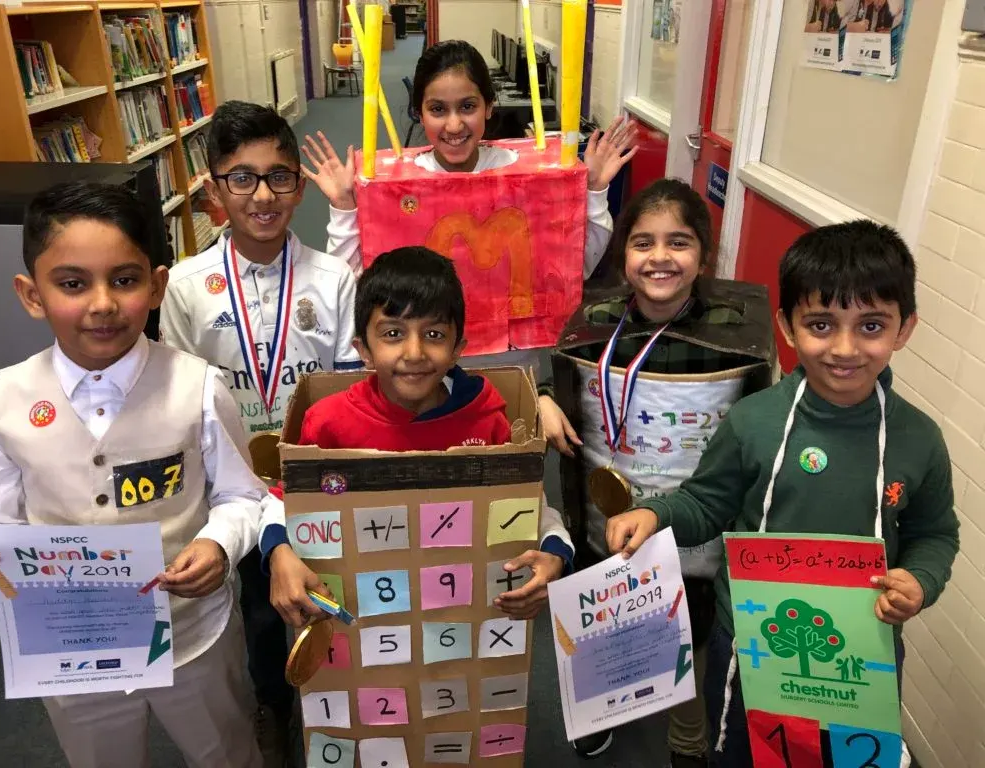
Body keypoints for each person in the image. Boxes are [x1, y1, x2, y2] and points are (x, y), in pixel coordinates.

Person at [605, 220, 960, 767]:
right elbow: (706, 503)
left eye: (871, 326)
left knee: (842, 758)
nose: (844, 348)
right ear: (787, 328)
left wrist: (921, 580)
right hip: (749, 642)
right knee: (741, 755)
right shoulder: (754, 420)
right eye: (821, 324)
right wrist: (655, 513)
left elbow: (935, 534)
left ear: (904, 328)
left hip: (859, 650)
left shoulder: (919, 438)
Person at [0, 181, 270, 768]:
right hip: (70, 646)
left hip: (191, 636)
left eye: (125, 280)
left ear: (156, 286)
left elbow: (241, 495)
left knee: (226, 752)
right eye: (72, 284)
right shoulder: (4, 399)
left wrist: (218, 543)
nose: (102, 304)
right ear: (31, 294)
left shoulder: (198, 386)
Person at [160, 100, 362, 767]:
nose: (263, 195)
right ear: (213, 191)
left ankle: (331, 703)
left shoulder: (335, 280)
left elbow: (347, 391)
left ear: (299, 187)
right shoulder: (187, 287)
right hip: (232, 485)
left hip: (316, 476)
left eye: (279, 177)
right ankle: (272, 703)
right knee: (251, 609)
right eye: (241, 178)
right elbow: (179, 400)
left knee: (325, 591)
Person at [536, 179, 766, 764]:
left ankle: (686, 736)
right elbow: (556, 371)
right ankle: (601, 709)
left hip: (693, 521)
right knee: (605, 612)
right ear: (623, 255)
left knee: (688, 625)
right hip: (606, 513)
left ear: (703, 255)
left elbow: (764, 405)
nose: (660, 257)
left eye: (678, 242)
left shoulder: (734, 335)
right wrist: (542, 396)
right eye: (643, 243)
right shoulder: (596, 322)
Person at [259, 247, 575, 629]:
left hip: (459, 616)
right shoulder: (328, 423)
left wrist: (555, 551)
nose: (414, 352)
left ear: (458, 349)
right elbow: (283, 501)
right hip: (362, 618)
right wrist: (278, 551)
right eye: (393, 333)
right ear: (364, 351)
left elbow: (527, 504)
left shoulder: (486, 420)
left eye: (434, 334)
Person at [300, 39, 637, 283]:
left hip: (514, 351)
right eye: (437, 109)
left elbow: (577, 268)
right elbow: (355, 280)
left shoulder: (522, 173)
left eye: (467, 107)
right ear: (419, 113)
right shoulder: (397, 186)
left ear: (489, 106)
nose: (454, 125)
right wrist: (344, 207)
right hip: (430, 351)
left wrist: (594, 190)